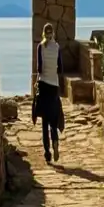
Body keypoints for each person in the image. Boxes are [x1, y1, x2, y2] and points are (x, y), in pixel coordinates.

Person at [33, 23, 64, 163]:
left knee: (44, 122)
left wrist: (36, 82)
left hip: (44, 85)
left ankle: (47, 153)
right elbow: (60, 68)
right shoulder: (57, 47)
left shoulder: (40, 47)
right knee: (53, 119)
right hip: (54, 86)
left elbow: (39, 68)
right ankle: (55, 141)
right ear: (53, 33)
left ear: (44, 33)